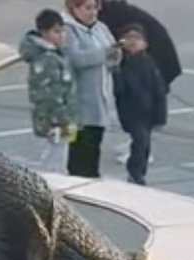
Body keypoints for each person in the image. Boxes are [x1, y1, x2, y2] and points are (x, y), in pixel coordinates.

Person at [62, 0, 120, 178]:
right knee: (80, 147)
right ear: (74, 8)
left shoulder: (100, 28)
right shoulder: (68, 30)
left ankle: (92, 177)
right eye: (87, 8)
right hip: (78, 102)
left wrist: (115, 54)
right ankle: (80, 181)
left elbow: (113, 53)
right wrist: (104, 53)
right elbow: (77, 59)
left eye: (96, 7)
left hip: (100, 98)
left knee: (95, 142)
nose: (92, 12)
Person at [20, 8, 79, 174]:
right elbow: (47, 95)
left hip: (66, 117)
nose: (61, 36)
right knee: (54, 158)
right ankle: (50, 190)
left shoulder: (57, 54)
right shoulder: (46, 58)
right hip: (56, 119)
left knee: (60, 155)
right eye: (56, 32)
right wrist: (57, 120)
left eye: (62, 31)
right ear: (44, 33)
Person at [113, 22, 167, 183]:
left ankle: (139, 172)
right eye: (129, 37)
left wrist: (160, 116)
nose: (133, 41)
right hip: (131, 112)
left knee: (145, 144)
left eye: (137, 38)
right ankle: (135, 172)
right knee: (140, 140)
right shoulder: (121, 64)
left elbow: (159, 90)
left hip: (148, 111)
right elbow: (119, 90)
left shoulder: (149, 63)